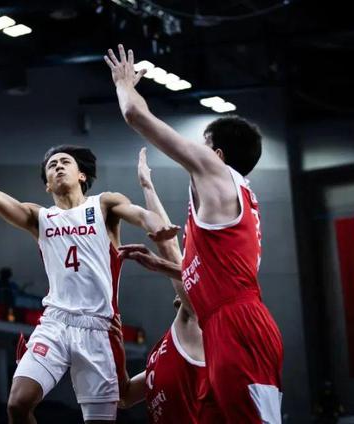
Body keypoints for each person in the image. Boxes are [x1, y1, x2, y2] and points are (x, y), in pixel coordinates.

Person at [0, 108, 179, 424]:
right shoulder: (39, 217)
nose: (58, 167)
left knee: (109, 411)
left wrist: (157, 226)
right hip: (55, 323)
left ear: (82, 175)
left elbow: (140, 214)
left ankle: (174, 368)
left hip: (98, 327)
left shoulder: (104, 204)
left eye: (65, 162)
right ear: (47, 186)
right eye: (52, 166)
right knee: (17, 404)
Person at [105, 44, 284, 423]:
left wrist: (124, 84)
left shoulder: (216, 171)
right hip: (225, 322)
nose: (194, 151)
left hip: (238, 324)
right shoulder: (231, 201)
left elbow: (135, 114)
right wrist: (168, 267)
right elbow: (218, 273)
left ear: (216, 154)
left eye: (202, 145)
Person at [113, 148, 224, 424]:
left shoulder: (196, 321)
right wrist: (116, 348)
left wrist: (147, 186)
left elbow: (169, 247)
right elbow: (124, 397)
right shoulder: (162, 350)